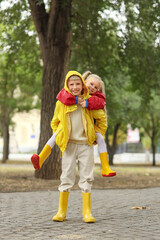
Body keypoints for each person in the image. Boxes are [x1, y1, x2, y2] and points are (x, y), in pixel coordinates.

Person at [31, 71, 116, 177]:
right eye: (91, 84)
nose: (93, 88)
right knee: (55, 135)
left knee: (101, 139)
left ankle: (105, 167)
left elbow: (101, 103)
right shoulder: (69, 93)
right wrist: (76, 99)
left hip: (89, 127)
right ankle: (40, 158)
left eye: (96, 87)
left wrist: (88, 103)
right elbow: (63, 97)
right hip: (68, 128)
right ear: (84, 82)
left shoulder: (96, 98)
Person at [51, 70, 107, 222]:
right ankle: (61, 212)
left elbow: (102, 119)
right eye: (72, 84)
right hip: (69, 145)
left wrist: (98, 134)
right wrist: (60, 135)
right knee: (66, 176)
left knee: (86, 177)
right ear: (67, 85)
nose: (75, 87)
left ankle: (87, 212)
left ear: (82, 85)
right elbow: (54, 122)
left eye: (78, 84)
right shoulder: (61, 103)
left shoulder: (88, 102)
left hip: (85, 146)